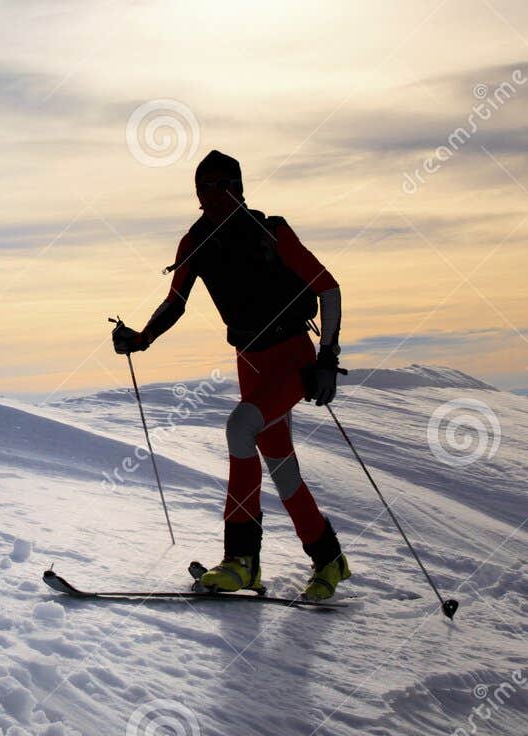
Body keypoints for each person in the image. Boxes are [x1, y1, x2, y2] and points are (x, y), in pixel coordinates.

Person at [110, 149, 351, 601]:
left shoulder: (271, 230)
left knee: (240, 427)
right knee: (281, 468)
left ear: (239, 187)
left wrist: (327, 360)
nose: (211, 194)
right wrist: (141, 338)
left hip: (292, 357)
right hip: (250, 360)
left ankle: (241, 561)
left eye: (220, 184)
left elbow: (328, 287)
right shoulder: (196, 240)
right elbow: (176, 300)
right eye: (203, 187)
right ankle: (328, 560)